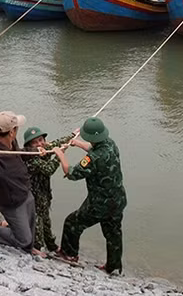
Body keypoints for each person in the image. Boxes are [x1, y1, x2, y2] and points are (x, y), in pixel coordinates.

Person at [53, 117, 127, 274]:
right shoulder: (111, 144)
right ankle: (113, 267)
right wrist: (78, 143)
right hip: (118, 199)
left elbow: (71, 173)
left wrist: (60, 155)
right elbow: (94, 149)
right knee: (113, 233)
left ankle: (69, 254)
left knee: (72, 223)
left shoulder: (92, 159)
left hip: (100, 203)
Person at [0, 111, 41, 256]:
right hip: (11, 201)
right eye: (17, 128)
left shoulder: (11, 142)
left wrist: (35, 151)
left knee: (30, 234)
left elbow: (19, 155)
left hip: (24, 191)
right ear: (12, 132)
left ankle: (29, 246)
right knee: (24, 241)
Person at [21, 126, 77, 253]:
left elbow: (57, 143)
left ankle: (51, 246)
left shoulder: (44, 149)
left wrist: (72, 135)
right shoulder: (31, 157)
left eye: (41, 140)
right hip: (32, 197)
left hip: (44, 194)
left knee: (46, 221)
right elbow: (48, 169)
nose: (40, 143)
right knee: (37, 225)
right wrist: (59, 156)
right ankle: (35, 248)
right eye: (35, 142)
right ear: (29, 145)